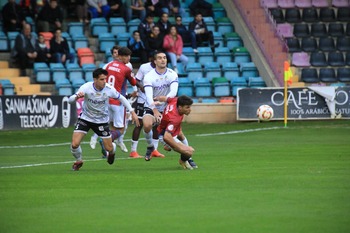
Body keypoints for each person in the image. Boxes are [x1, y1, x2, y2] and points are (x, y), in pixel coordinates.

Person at [68, 68, 140, 171]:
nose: (104, 81)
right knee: (74, 144)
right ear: (95, 79)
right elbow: (70, 100)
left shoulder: (109, 89)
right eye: (102, 79)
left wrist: (132, 112)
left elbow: (122, 98)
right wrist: (76, 97)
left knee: (109, 148)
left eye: (105, 79)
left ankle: (112, 150)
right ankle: (79, 161)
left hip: (101, 121)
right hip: (85, 119)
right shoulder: (86, 87)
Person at [98, 47, 138, 156]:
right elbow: (133, 82)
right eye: (126, 56)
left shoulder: (108, 66)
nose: (128, 58)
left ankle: (107, 151)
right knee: (121, 129)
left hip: (106, 101)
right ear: (119, 56)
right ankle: (106, 140)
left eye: (129, 56)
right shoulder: (126, 69)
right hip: (118, 101)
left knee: (112, 126)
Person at [142, 51, 178, 161]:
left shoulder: (172, 74)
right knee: (147, 125)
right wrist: (155, 110)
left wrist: (163, 102)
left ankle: (187, 157)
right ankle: (150, 146)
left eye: (164, 58)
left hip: (167, 106)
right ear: (155, 61)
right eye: (160, 58)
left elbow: (173, 92)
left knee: (179, 134)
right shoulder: (149, 76)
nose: (163, 60)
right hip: (151, 105)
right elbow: (148, 96)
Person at [129, 57, 166, 158]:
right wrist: (141, 87)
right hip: (143, 100)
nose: (160, 61)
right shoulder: (144, 67)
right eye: (157, 59)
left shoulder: (163, 70)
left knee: (156, 125)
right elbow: (135, 80)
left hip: (155, 102)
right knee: (139, 124)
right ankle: (133, 151)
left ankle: (155, 150)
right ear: (152, 60)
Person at [157, 95, 197, 169]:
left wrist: (156, 99)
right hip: (164, 135)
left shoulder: (176, 100)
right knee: (189, 152)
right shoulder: (174, 119)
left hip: (171, 128)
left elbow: (165, 98)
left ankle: (188, 159)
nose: (190, 110)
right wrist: (181, 149)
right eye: (187, 107)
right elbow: (166, 137)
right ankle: (183, 160)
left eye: (190, 107)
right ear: (180, 107)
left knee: (181, 135)